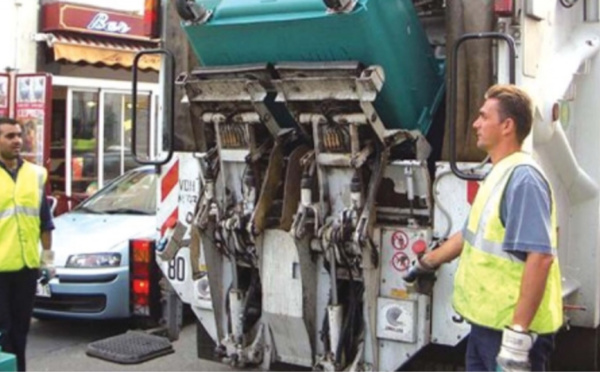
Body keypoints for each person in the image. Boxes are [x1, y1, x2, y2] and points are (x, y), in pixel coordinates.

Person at [405, 85, 562, 371]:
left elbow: (540, 258)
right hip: (486, 327)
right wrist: (428, 262)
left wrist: (517, 336)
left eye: (483, 116)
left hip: (511, 332)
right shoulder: (499, 173)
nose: (476, 123)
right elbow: (470, 234)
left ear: (507, 126)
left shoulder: (523, 179)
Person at [0, 117, 55, 371]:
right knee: (4, 331)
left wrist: (48, 260)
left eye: (18, 135)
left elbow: (45, 221)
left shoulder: (34, 175)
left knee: (20, 332)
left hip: (26, 268)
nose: (17, 141)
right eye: (9, 136)